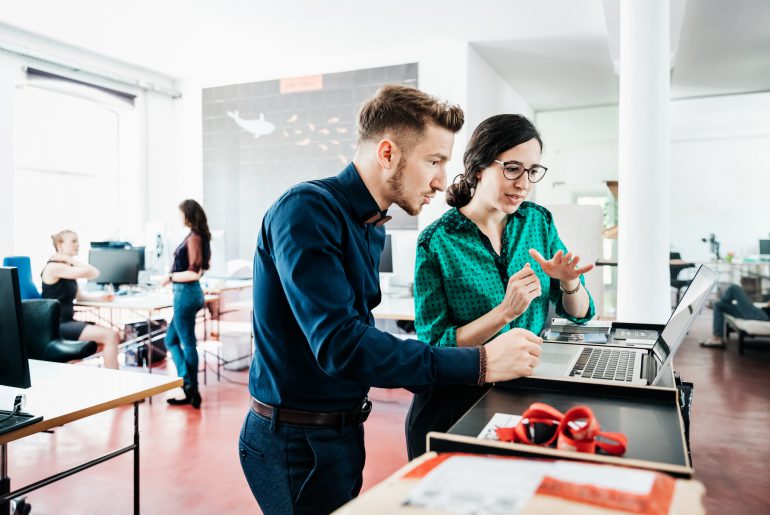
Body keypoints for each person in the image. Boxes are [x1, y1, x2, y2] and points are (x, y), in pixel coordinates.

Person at [239, 85, 544, 515]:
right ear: (387, 153)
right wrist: (481, 363)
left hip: (339, 433)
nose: (441, 180)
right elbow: (341, 345)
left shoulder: (371, 225)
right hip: (295, 442)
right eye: (434, 161)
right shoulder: (306, 210)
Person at [405, 114, 596, 459]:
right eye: (512, 168)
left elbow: (580, 314)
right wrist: (505, 312)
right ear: (478, 168)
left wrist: (569, 283)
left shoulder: (537, 221)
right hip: (456, 404)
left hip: (524, 394)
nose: (524, 183)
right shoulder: (436, 242)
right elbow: (435, 344)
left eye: (533, 170)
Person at [41, 230, 121, 369]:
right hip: (56, 325)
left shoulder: (66, 268)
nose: (77, 244)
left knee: (104, 342)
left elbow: (80, 296)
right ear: (60, 245)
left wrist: (101, 299)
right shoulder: (54, 267)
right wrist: (68, 259)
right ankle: (114, 383)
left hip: (67, 322)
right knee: (110, 336)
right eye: (73, 241)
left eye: (77, 240)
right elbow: (93, 273)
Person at [161, 199, 211, 409]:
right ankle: (189, 385)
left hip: (186, 294)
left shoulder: (194, 238)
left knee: (188, 343)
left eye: (181, 213)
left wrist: (170, 277)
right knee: (171, 339)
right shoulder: (198, 237)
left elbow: (194, 272)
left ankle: (189, 386)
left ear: (188, 214)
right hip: (190, 294)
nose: (179, 217)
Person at [701, 283, 770, 347]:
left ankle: (716, 302)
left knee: (734, 288)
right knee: (718, 305)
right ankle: (717, 339)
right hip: (760, 312)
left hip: (761, 315)